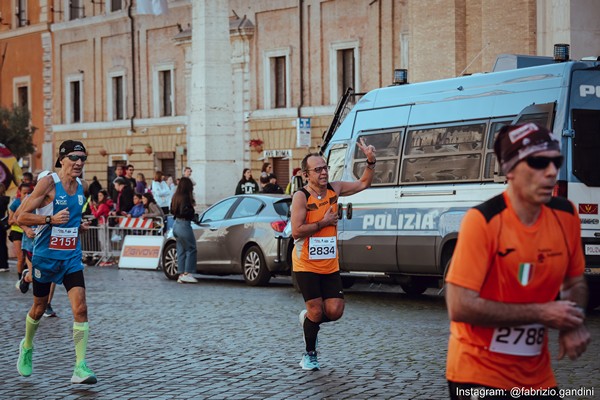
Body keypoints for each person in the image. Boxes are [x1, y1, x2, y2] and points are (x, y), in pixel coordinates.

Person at [445, 123, 590, 400]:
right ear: (509, 170)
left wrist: (572, 321)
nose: (550, 172)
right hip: (477, 374)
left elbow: (574, 281)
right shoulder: (483, 221)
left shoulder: (566, 215)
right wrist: (541, 313)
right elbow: (459, 306)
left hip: (537, 376)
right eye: (537, 162)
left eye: (555, 161)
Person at [15, 139, 97, 384]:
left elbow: (70, 219)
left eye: (83, 158)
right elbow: (21, 216)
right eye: (74, 158)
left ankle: (80, 367)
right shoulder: (49, 183)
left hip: (71, 256)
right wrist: (49, 220)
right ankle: (27, 346)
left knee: (80, 308)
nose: (79, 163)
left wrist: (78, 226)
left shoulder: (81, 186)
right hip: (46, 256)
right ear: (62, 159)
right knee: (39, 308)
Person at [291, 138, 376, 371]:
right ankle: (310, 355)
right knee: (317, 309)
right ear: (306, 174)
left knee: (335, 311)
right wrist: (323, 222)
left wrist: (371, 161)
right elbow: (296, 231)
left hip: (329, 264)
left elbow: (362, 184)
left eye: (325, 167)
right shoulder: (301, 196)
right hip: (306, 264)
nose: (323, 172)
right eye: (317, 169)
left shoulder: (334, 189)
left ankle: (309, 320)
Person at [170, 177, 198, 284]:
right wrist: (193, 214)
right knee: (191, 248)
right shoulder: (186, 197)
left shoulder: (175, 196)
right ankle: (188, 273)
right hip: (184, 224)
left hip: (176, 224)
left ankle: (181, 274)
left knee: (181, 250)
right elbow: (185, 211)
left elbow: (172, 210)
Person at [8, 183, 33, 281]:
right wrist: (21, 221)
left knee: (30, 258)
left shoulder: (34, 201)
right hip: (17, 232)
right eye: (24, 193)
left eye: (29, 193)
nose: (26, 195)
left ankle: (27, 274)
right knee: (21, 258)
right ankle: (20, 280)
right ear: (19, 193)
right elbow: (10, 221)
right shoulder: (16, 203)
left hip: (29, 233)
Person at [0, 183, 10, 272]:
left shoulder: (3, 200)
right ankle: (4, 264)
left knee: (2, 245)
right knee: (3, 244)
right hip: (2, 225)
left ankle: (2, 264)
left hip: (1, 225)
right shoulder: (6, 199)